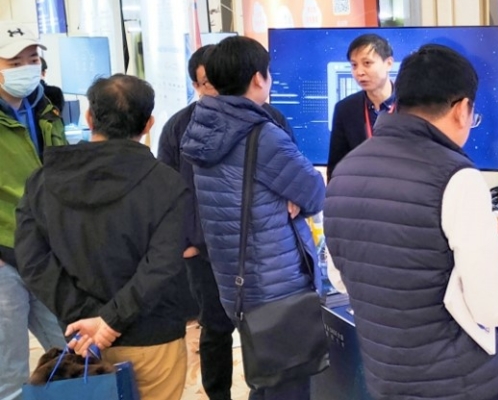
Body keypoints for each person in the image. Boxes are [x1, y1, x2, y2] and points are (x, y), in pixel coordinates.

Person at [324, 44, 498, 400]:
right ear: (462, 109)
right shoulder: (457, 176)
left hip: (387, 380)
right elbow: (491, 305)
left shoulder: (345, 171)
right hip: (461, 384)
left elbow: (340, 277)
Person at [15, 74, 189, 400]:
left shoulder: (42, 180)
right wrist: (107, 322)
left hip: (81, 343)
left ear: (89, 117)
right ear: (149, 124)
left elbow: (32, 260)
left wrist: (85, 318)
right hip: (152, 337)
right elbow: (161, 264)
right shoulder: (167, 184)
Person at [181, 36, 325, 400]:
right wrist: (289, 196)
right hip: (276, 282)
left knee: (266, 379)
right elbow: (313, 193)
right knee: (288, 385)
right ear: (258, 78)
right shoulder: (262, 135)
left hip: (237, 280)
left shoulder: (203, 127)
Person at [158, 44, 297, 400]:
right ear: (195, 85)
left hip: (261, 251)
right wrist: (185, 242)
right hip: (205, 250)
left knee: (264, 331)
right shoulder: (180, 127)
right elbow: (168, 191)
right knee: (216, 328)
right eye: (208, 82)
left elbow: (295, 178)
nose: (217, 88)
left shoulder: (270, 119)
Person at [0, 20, 67, 400]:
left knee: (68, 350)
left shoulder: (46, 108)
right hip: (5, 256)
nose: (26, 68)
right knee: (9, 370)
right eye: (14, 63)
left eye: (32, 59)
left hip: (46, 253)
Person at [327, 33, 395, 179]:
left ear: (388, 64)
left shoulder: (411, 106)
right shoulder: (345, 109)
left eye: (367, 63)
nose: (359, 72)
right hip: (360, 188)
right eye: (354, 65)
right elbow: (336, 167)